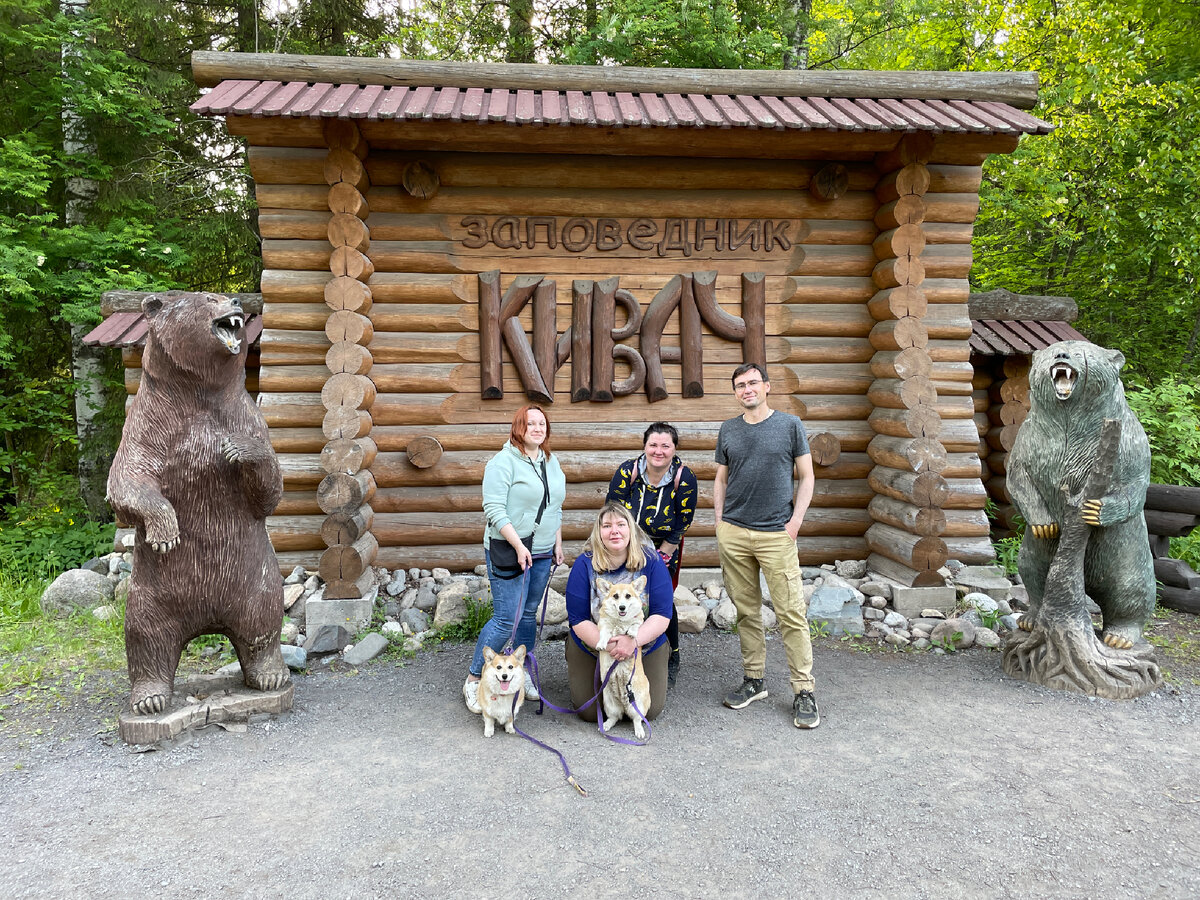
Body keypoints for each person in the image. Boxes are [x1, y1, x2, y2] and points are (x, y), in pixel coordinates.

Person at [713, 362, 820, 729]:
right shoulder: (728, 429)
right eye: (740, 385)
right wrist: (720, 523)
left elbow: (806, 476)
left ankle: (803, 690)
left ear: (767, 387)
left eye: (753, 383)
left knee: (791, 613)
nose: (747, 389)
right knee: (747, 612)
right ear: (735, 392)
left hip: (777, 534)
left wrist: (795, 524)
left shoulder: (790, 425)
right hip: (735, 534)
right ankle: (754, 680)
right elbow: (721, 479)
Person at [463, 405, 565, 713]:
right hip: (509, 549)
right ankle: (473, 680)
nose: (537, 428)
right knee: (507, 617)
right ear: (518, 427)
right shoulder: (502, 462)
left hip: (545, 550)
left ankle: (520, 672)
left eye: (541, 423)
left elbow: (554, 505)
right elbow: (494, 509)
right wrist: (520, 546)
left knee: (530, 612)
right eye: (530, 423)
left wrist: (558, 542)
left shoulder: (550, 460)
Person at [563, 501, 674, 724]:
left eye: (621, 524)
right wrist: (612, 646)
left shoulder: (651, 561)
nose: (614, 531)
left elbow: (662, 614)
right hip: (595, 643)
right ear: (599, 532)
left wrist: (632, 643)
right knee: (590, 712)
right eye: (607, 526)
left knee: (647, 712)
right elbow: (578, 618)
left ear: (631, 529)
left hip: (643, 644)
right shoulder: (584, 564)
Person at [605, 422, 697, 687]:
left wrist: (663, 554)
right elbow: (612, 511)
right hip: (627, 543)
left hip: (665, 545)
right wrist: (621, 547)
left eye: (665, 445)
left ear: (674, 448)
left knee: (661, 598)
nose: (659, 451)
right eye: (653, 445)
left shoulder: (684, 477)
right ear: (645, 446)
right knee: (624, 594)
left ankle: (671, 656)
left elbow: (684, 520)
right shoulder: (627, 471)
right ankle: (621, 648)